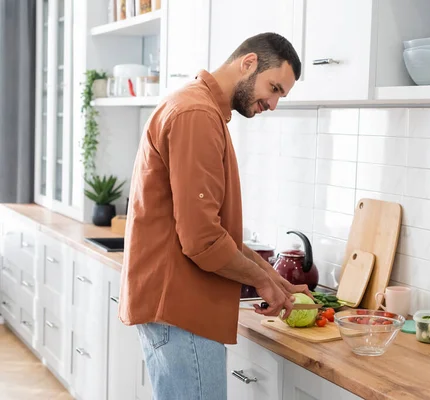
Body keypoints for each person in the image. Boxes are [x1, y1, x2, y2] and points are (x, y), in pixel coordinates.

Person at [118, 33, 312, 400]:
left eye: (280, 96)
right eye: (273, 88)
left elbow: (217, 233)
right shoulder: (197, 114)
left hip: (177, 309)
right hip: (182, 311)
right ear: (249, 62)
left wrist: (274, 279)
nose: (272, 104)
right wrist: (263, 281)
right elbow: (203, 239)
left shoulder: (198, 107)